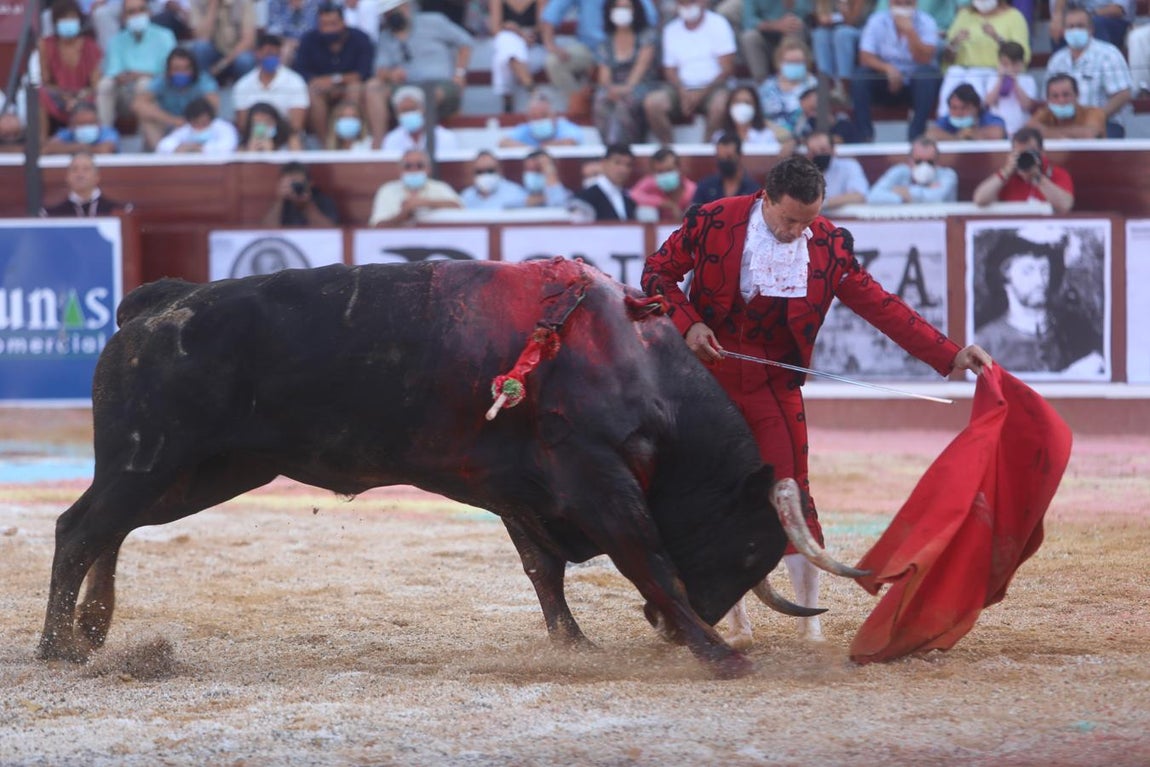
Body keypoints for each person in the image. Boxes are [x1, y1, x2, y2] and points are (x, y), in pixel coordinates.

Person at [642, 155, 992, 649]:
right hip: (705, 377)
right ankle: (734, 617)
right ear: (765, 198)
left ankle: (810, 622)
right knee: (709, 494)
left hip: (772, 381)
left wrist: (951, 353)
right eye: (789, 220)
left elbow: (880, 305)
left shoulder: (825, 242)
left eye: (808, 220)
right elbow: (656, 273)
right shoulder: (713, 219)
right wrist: (689, 323)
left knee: (793, 491)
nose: (797, 232)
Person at [974, 229, 1102, 374]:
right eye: (1028, 271)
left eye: (1044, 270)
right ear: (1005, 276)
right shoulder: (985, 343)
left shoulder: (1075, 331)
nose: (1040, 281)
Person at [364, 0, 473, 148]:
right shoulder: (385, 37)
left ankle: (426, 145)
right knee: (373, 87)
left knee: (430, 95)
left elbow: (465, 43)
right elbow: (379, 70)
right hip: (405, 88)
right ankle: (379, 144)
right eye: (386, 14)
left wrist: (460, 74)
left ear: (406, 7)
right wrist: (391, 74)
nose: (390, 16)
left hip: (440, 85)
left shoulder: (434, 21)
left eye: (393, 11)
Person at [643, 0, 736, 146]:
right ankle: (668, 148)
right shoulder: (671, 30)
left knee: (720, 105)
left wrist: (700, 94)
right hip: (681, 88)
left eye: (691, 1)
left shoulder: (719, 24)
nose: (686, 6)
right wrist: (682, 92)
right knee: (652, 103)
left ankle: (707, 149)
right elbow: (670, 70)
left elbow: (727, 69)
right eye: (682, 2)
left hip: (714, 87)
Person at [850, 0, 943, 142]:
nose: (903, 7)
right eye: (898, 3)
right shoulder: (877, 20)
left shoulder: (927, 22)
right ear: (890, 3)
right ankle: (865, 134)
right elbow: (865, 56)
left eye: (907, 3)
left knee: (927, 74)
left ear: (915, 4)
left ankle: (916, 134)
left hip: (915, 85)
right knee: (860, 75)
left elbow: (925, 58)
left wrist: (910, 32)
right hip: (886, 81)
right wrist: (887, 68)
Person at [539, 0, 659, 100]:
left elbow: (651, 17)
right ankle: (579, 100)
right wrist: (550, 43)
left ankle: (624, 97)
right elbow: (553, 11)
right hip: (589, 48)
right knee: (554, 62)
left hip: (622, 46)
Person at [1043, 6, 1133, 139]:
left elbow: (1123, 94)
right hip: (1063, 125)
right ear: (1064, 30)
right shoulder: (1057, 60)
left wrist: (1097, 116)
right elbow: (1047, 98)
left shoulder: (1108, 54)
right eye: (1070, 27)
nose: (1075, 30)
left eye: (1080, 26)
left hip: (1105, 123)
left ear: (1091, 29)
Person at [295, 2, 375, 144]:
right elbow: (302, 70)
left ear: (343, 22)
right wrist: (318, 82)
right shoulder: (308, 40)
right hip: (321, 88)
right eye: (324, 25)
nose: (329, 29)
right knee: (312, 90)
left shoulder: (360, 38)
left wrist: (335, 80)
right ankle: (326, 144)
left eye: (333, 24)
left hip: (349, 86)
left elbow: (363, 72)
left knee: (355, 87)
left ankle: (354, 141)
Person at [936, 0, 1029, 117]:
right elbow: (947, 58)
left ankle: (975, 120)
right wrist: (954, 43)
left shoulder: (1014, 17)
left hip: (996, 71)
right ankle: (945, 120)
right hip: (961, 70)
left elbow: (1021, 55)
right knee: (954, 73)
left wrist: (997, 38)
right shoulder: (964, 15)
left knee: (974, 77)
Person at [96, 0, 177, 130]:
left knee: (144, 83)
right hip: (126, 93)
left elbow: (171, 71)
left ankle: (146, 137)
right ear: (124, 17)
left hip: (156, 92)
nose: (137, 15)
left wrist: (141, 74)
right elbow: (113, 71)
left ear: (149, 12)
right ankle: (106, 133)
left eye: (141, 10)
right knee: (105, 84)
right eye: (131, 12)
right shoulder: (116, 41)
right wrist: (122, 76)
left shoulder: (165, 36)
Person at [592, 0, 657, 144]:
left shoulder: (646, 36)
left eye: (626, 7)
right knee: (601, 100)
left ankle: (629, 145)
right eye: (618, 7)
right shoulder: (606, 42)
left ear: (635, 10)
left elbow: (641, 67)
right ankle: (609, 147)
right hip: (615, 86)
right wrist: (610, 89)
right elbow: (604, 76)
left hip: (641, 84)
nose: (622, 11)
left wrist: (625, 89)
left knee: (625, 103)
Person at [38, 0, 104, 140]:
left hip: (85, 96)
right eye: (64, 19)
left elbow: (95, 84)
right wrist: (65, 97)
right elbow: (46, 81)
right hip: (59, 95)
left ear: (79, 20)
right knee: (40, 95)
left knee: (99, 95)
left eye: (72, 18)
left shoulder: (90, 46)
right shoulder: (45, 45)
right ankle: (41, 142)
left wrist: (78, 99)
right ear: (56, 22)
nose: (68, 22)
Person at [133, 47, 220, 150]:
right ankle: (161, 155)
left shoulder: (203, 81)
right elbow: (138, 105)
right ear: (169, 70)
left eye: (186, 69)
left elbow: (213, 106)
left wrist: (190, 122)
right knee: (147, 119)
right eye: (176, 69)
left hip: (195, 127)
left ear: (193, 69)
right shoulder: (162, 81)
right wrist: (173, 121)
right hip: (168, 124)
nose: (181, 73)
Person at [972, 127, 1074, 215]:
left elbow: (1065, 206)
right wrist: (1006, 172)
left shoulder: (1057, 173)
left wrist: (1038, 178)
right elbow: (980, 200)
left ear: (1042, 152)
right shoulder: (1007, 176)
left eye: (1029, 153)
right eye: (1020, 153)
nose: (1025, 157)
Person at [232, 33, 310, 137]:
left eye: (275, 54)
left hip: (286, 136)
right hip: (254, 137)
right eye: (268, 54)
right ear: (257, 53)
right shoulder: (243, 84)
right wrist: (262, 133)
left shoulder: (295, 81)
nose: (271, 58)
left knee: (294, 139)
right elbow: (243, 124)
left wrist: (272, 131)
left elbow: (296, 124)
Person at [368, 148, 464, 226]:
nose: (414, 170)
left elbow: (459, 207)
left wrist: (424, 202)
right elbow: (377, 226)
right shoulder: (388, 190)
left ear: (428, 169)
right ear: (399, 170)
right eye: (408, 166)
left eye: (419, 166)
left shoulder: (439, 187)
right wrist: (403, 215)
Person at [489, 0, 546, 113]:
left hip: (532, 44)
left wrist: (527, 35)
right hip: (508, 38)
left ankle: (508, 100)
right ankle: (533, 92)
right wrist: (518, 33)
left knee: (505, 54)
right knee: (507, 42)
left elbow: (543, 26)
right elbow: (495, 29)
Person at [866, 135, 958, 203]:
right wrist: (901, 199)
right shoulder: (900, 171)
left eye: (930, 162)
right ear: (910, 161)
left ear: (937, 162)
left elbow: (936, 198)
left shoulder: (948, 175)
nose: (924, 166)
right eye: (918, 161)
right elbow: (873, 196)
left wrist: (905, 192)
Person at [739, 0, 811, 83]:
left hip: (790, 32)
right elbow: (748, 21)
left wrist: (789, 4)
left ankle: (797, 82)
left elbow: (805, 12)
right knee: (749, 37)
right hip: (765, 36)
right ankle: (762, 84)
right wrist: (775, 25)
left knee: (796, 27)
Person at [40, 151, 131, 216]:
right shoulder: (52, 215)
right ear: (67, 177)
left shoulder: (119, 211)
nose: (80, 174)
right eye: (74, 169)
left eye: (86, 169)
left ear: (97, 177)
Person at [811, 0, 870, 100]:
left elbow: (851, 21)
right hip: (835, 29)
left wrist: (841, 13)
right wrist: (828, 19)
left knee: (842, 34)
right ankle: (826, 85)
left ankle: (844, 88)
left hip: (862, 30)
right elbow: (822, 18)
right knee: (819, 35)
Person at [756, 36, 819, 129]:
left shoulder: (814, 85)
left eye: (798, 62)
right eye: (790, 62)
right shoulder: (766, 87)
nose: (794, 65)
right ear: (780, 62)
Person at [188, 0, 257, 82]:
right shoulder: (197, 2)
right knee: (200, 48)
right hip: (213, 54)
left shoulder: (243, 2)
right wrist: (213, 6)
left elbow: (248, 41)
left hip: (235, 56)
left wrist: (222, 65)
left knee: (245, 60)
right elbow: (202, 38)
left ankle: (242, 92)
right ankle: (205, 88)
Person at [1025, 73, 1106, 140]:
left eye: (1066, 95)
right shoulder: (1045, 113)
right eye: (1055, 96)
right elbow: (1027, 131)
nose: (1061, 101)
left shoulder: (1094, 112)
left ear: (1077, 95)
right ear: (1048, 99)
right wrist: (1074, 133)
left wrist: (1046, 132)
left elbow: (1090, 134)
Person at [381, 85, 460, 154]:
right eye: (404, 111)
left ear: (423, 110)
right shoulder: (391, 139)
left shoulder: (445, 137)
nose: (409, 114)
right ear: (397, 114)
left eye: (413, 109)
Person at [982, 40, 1038, 136]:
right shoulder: (992, 79)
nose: (1009, 68)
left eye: (1014, 64)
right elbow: (988, 102)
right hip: (998, 128)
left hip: (1020, 128)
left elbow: (1027, 106)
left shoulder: (1028, 80)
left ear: (1021, 63)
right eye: (1005, 64)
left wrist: (1015, 81)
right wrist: (1000, 80)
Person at [628, 145, 698, 222]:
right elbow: (633, 194)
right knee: (645, 211)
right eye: (660, 172)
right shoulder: (651, 182)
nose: (665, 175)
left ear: (679, 169)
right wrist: (664, 203)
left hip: (686, 230)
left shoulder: (692, 189)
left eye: (669, 170)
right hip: (657, 229)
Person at [719, 84, 793, 154]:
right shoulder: (720, 136)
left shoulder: (767, 136)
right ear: (730, 106)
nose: (742, 106)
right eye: (737, 102)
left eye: (747, 102)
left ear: (755, 107)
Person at [803, 131, 868, 211]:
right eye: (813, 152)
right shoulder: (801, 172)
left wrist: (823, 203)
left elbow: (859, 196)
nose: (818, 154)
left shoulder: (849, 166)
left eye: (823, 150)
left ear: (833, 150)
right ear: (807, 154)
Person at [261, 161, 340, 226]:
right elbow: (266, 231)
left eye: (297, 184)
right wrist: (279, 200)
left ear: (310, 183)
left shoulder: (322, 200)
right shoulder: (279, 203)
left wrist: (307, 207)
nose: (294, 188)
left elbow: (330, 231)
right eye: (290, 184)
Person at [571, 143, 637, 221]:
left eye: (628, 165)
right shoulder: (586, 198)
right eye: (617, 163)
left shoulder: (629, 200)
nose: (623, 170)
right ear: (604, 163)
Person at [500, 89, 586, 147]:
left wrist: (538, 151)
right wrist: (531, 151)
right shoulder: (525, 129)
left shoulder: (565, 127)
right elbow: (504, 143)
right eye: (534, 117)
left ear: (554, 116)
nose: (539, 120)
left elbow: (570, 142)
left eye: (544, 116)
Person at [692, 132, 759, 205]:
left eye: (728, 157)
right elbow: (693, 214)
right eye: (720, 158)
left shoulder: (752, 190)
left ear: (739, 156)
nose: (724, 161)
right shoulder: (706, 186)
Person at [154, 96, 239, 153]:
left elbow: (228, 146)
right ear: (190, 121)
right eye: (196, 123)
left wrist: (201, 149)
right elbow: (163, 145)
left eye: (204, 122)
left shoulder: (223, 127)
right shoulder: (186, 129)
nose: (200, 126)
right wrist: (178, 148)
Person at [925, 83, 1006, 141]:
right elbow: (930, 134)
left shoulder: (987, 117)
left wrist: (973, 134)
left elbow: (998, 133)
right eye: (954, 108)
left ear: (976, 108)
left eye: (964, 108)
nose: (958, 113)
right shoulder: (947, 119)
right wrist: (956, 138)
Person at [460, 150, 531, 209]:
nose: (485, 175)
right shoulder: (467, 196)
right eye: (479, 172)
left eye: (490, 171)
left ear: (500, 171)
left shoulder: (515, 193)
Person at [43, 101, 121, 154]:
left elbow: (106, 150)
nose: (87, 127)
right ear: (72, 126)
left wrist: (78, 148)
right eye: (82, 124)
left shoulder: (107, 132)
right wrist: (79, 148)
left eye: (91, 123)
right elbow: (47, 149)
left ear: (99, 123)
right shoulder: (67, 133)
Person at [1050, 0, 1132, 50]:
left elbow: (1119, 10)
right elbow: (1057, 11)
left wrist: (1087, 16)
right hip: (1083, 17)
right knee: (1060, 25)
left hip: (1111, 20)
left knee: (1095, 23)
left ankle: (1100, 63)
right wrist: (1058, 16)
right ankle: (1061, 72)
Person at [265, 0, 324, 64]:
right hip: (285, 44)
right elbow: (273, 33)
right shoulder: (275, 3)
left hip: (311, 44)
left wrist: (300, 43)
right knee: (282, 51)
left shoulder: (318, 3)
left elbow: (321, 30)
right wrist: (290, 10)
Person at [238, 101, 303, 150]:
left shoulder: (290, 139)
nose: (263, 126)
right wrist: (251, 152)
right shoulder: (244, 143)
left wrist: (270, 151)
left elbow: (298, 160)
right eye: (257, 123)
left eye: (267, 122)